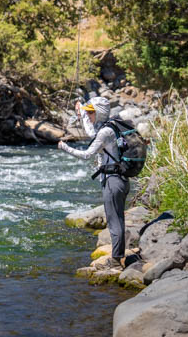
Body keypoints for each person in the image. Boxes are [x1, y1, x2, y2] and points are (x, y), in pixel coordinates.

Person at [57, 96, 129, 268]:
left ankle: (116, 261)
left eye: (91, 113)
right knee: (117, 218)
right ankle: (118, 255)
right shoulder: (112, 126)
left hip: (113, 181)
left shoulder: (105, 132)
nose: (89, 116)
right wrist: (81, 112)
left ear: (99, 113)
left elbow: (87, 154)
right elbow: (91, 133)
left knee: (114, 221)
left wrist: (64, 147)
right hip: (120, 179)